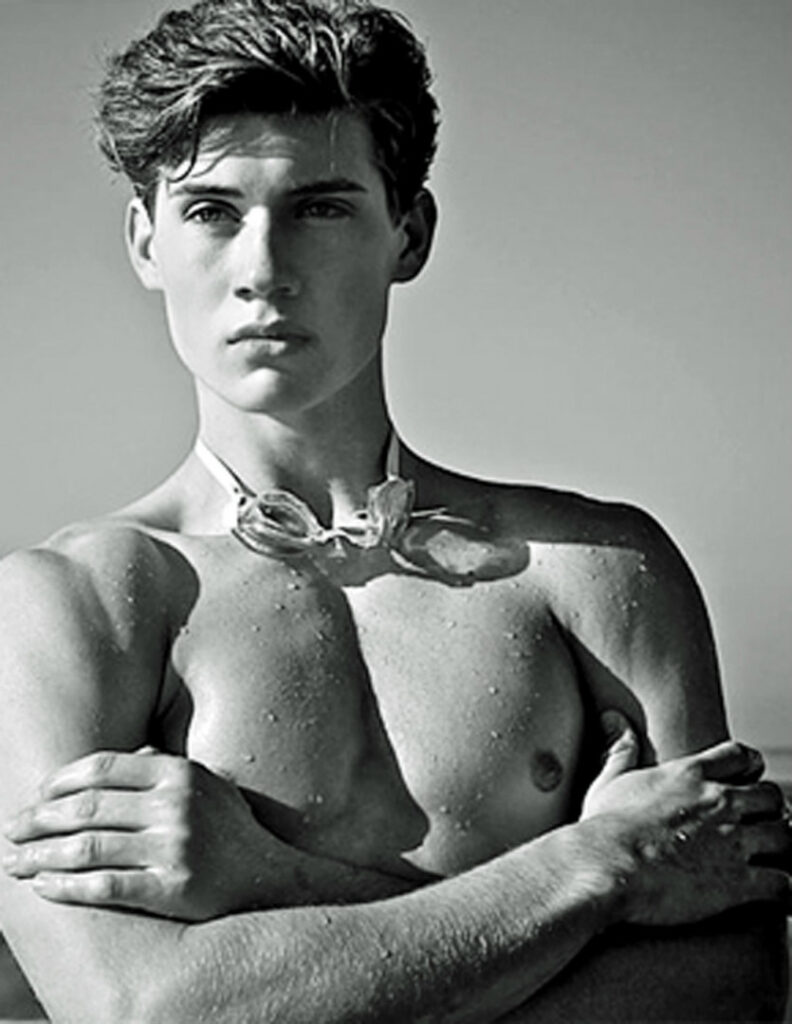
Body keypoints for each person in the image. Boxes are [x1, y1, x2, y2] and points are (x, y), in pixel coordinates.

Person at [0, 1, 789, 1021]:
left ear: (409, 234)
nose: (263, 270)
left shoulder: (596, 569)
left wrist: (266, 881)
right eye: (211, 212)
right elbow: (138, 1008)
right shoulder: (78, 604)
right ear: (146, 241)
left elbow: (729, 990)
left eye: (321, 208)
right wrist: (595, 866)